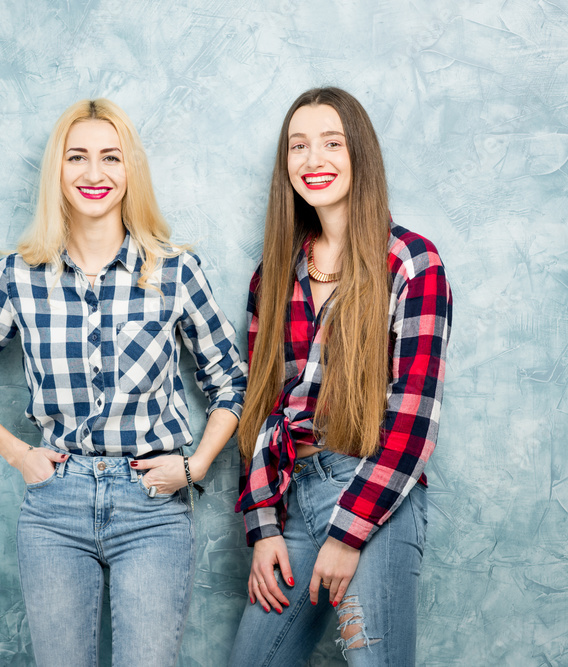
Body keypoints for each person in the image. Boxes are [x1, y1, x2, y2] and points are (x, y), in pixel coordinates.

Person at [0, 98, 246, 666]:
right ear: (58, 171)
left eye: (110, 158)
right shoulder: (19, 275)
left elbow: (232, 382)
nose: (94, 174)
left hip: (152, 505)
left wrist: (193, 468)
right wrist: (21, 454)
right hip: (56, 507)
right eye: (77, 157)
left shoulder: (174, 270)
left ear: (131, 171)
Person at [229, 87, 453, 666]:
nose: (314, 160)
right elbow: (261, 409)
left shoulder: (411, 262)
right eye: (298, 146)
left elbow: (413, 416)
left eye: (332, 142)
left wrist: (349, 532)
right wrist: (263, 526)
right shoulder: (273, 276)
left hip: (373, 490)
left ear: (361, 154)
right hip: (292, 494)